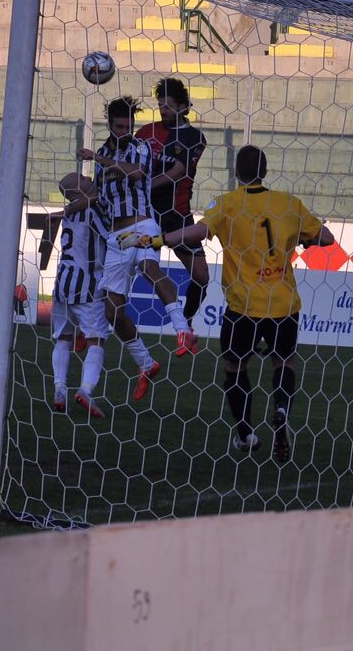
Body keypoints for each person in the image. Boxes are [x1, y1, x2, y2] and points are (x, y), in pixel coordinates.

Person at [128, 145, 334, 461]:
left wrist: (159, 240)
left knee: (234, 368)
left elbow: (197, 232)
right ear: (265, 172)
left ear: (236, 172)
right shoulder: (289, 204)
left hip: (243, 308)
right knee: (283, 363)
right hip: (283, 306)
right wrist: (303, 237)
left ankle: (244, 433)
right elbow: (326, 238)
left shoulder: (227, 204)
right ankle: (280, 411)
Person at [76, 96, 190, 401]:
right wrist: (70, 209)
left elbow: (138, 173)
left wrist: (98, 160)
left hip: (142, 226)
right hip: (117, 237)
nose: (125, 130)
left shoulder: (138, 146)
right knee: (113, 311)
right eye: (120, 126)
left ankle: (182, 329)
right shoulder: (102, 151)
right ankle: (146, 363)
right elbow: (100, 195)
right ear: (110, 125)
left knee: (150, 268)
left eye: (129, 125)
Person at [136, 77, 211, 322]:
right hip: (145, 214)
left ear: (182, 106)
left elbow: (178, 172)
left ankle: (185, 322)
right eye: (160, 105)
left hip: (177, 215)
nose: (163, 110)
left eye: (168, 105)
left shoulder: (194, 138)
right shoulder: (147, 132)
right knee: (128, 268)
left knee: (201, 277)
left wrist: (144, 185)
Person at [48, 173, 113, 416]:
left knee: (63, 338)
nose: (88, 177)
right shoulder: (90, 212)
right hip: (87, 286)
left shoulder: (68, 215)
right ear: (77, 192)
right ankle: (85, 390)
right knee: (97, 340)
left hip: (62, 283)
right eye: (82, 178)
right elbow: (110, 237)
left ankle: (59, 389)